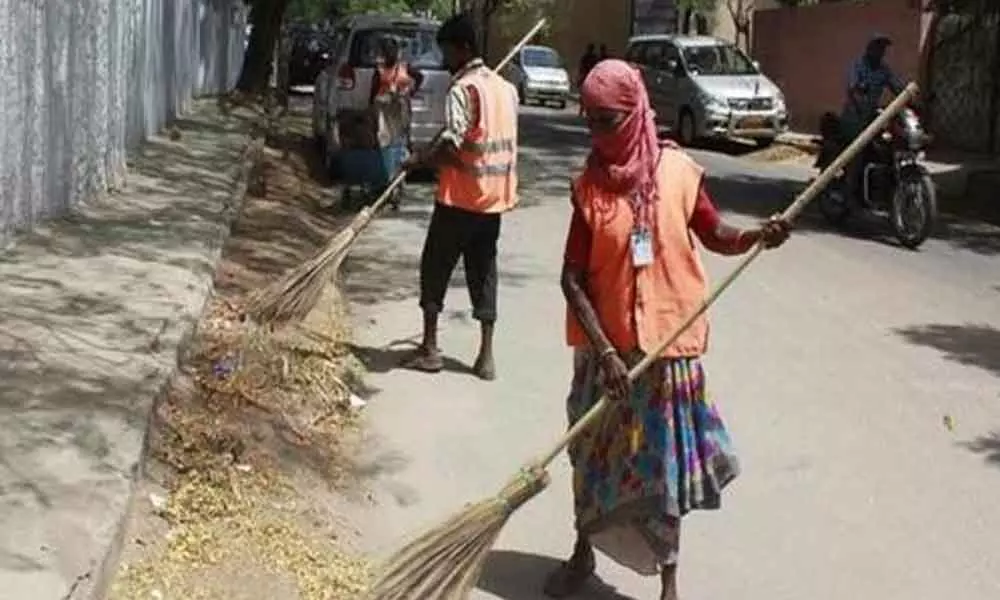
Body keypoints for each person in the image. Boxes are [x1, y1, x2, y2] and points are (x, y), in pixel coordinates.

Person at [543, 59, 790, 600]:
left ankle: (669, 585)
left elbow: (715, 232)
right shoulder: (589, 187)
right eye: (588, 120)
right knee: (590, 460)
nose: (595, 132)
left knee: (664, 478)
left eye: (605, 120)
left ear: (633, 115)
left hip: (666, 354)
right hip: (605, 361)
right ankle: (582, 555)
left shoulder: (678, 172)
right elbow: (571, 278)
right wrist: (607, 353)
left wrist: (754, 237)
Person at [400, 12, 519, 381]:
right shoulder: (505, 89)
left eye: (448, 51)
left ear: (463, 48)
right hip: (493, 202)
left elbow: (453, 148)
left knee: (434, 267)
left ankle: (431, 348)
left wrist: (419, 160)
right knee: (483, 273)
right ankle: (485, 357)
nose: (444, 59)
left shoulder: (463, 90)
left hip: (459, 200)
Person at [841, 33, 904, 203]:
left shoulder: (884, 69)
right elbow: (853, 90)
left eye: (883, 48)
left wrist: (910, 96)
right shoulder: (857, 66)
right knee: (857, 154)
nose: (881, 51)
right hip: (854, 117)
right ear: (869, 48)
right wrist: (862, 106)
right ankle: (849, 195)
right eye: (878, 47)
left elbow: (897, 87)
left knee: (889, 147)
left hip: (873, 118)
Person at [369, 35, 424, 208]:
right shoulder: (379, 70)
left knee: (399, 149)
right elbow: (372, 94)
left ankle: (397, 188)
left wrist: (410, 91)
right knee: (385, 148)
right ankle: (386, 185)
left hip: (400, 112)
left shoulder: (405, 68)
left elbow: (420, 78)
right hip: (384, 112)